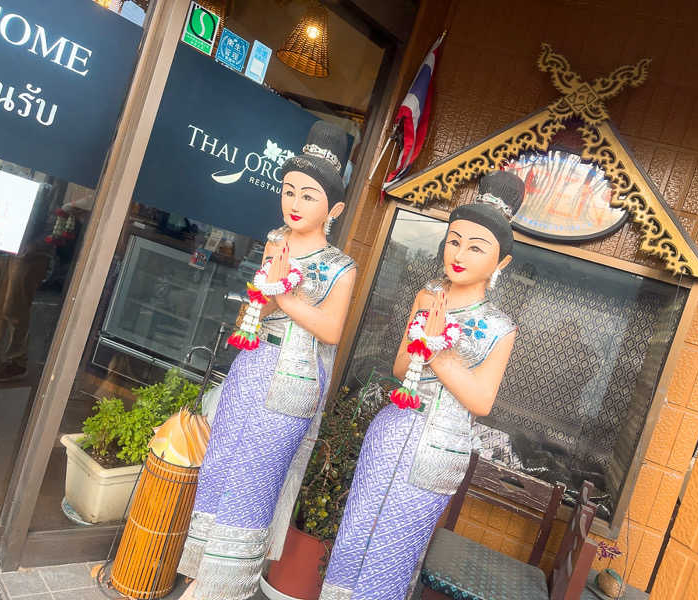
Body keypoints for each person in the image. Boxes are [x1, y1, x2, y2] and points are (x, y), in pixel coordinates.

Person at [320, 170, 524, 600]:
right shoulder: (428, 295)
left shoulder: (499, 328)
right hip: (393, 429)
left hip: (438, 448)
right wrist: (420, 346)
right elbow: (399, 366)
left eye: (475, 246)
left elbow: (481, 402)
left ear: (501, 262)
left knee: (394, 551)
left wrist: (437, 352)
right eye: (454, 240)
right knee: (356, 532)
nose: (460, 253)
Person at [177, 121, 356, 600]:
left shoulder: (341, 266)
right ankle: (200, 577)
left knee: (254, 482)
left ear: (333, 208)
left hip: (293, 381)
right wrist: (259, 299)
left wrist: (285, 295)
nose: (295, 203)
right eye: (289, 191)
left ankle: (225, 587)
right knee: (219, 469)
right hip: (250, 369)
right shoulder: (276, 241)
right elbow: (253, 307)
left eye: (309, 196)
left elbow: (332, 330)